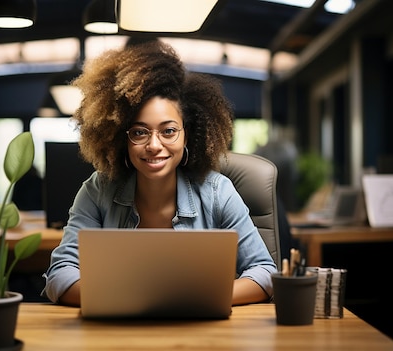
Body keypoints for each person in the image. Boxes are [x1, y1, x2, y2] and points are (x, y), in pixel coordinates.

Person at [42, 40, 277, 307]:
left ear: (187, 135)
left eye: (168, 131)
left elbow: (265, 272)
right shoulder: (98, 190)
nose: (154, 146)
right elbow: (60, 274)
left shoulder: (217, 192)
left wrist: (195, 300)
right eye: (140, 132)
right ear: (122, 138)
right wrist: (133, 301)